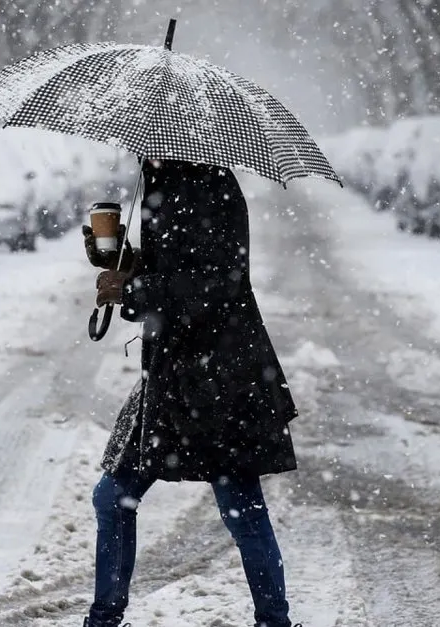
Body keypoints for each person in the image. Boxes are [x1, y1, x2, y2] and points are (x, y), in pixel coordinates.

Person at [81, 159, 300, 627]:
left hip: (220, 379)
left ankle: (274, 622)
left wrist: (134, 288)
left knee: (241, 507)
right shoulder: (164, 177)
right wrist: (118, 257)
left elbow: (217, 283)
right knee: (113, 495)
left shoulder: (207, 184)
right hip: (173, 375)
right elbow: (177, 266)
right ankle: (103, 620)